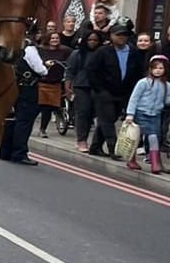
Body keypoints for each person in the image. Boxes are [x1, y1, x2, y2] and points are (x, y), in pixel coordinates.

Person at [84, 25, 145, 157]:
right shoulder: (103, 51)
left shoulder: (133, 52)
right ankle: (114, 148)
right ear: (111, 36)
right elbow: (90, 70)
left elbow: (138, 72)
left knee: (110, 119)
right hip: (104, 92)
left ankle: (95, 147)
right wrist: (99, 89)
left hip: (122, 93)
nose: (121, 37)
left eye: (124, 34)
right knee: (107, 119)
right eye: (118, 35)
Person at [0, 39, 48, 166]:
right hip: (28, 89)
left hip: (11, 88)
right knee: (24, 122)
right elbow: (41, 70)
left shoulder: (9, 49)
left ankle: (5, 151)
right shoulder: (30, 50)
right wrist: (46, 66)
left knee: (11, 120)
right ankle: (19, 153)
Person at [124, 54, 168, 173]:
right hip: (141, 113)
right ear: (150, 68)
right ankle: (131, 160)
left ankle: (155, 163)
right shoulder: (143, 82)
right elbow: (134, 98)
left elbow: (167, 100)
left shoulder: (166, 85)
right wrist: (130, 114)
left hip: (155, 115)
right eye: (155, 68)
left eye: (161, 68)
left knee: (154, 138)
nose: (158, 71)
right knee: (135, 137)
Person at [67, 30, 102, 152]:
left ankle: (87, 139)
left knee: (92, 114)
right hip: (81, 86)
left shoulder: (101, 54)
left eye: (95, 40)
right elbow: (70, 71)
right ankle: (81, 140)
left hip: (97, 87)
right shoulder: (77, 54)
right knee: (83, 113)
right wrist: (68, 88)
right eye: (90, 40)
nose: (92, 42)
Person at [36, 31, 68, 138]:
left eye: (57, 38)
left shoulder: (64, 50)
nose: (55, 40)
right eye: (52, 38)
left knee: (49, 108)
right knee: (41, 107)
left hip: (56, 83)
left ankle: (43, 129)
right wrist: (44, 63)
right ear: (48, 39)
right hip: (43, 83)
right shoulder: (41, 50)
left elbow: (72, 59)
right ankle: (37, 128)